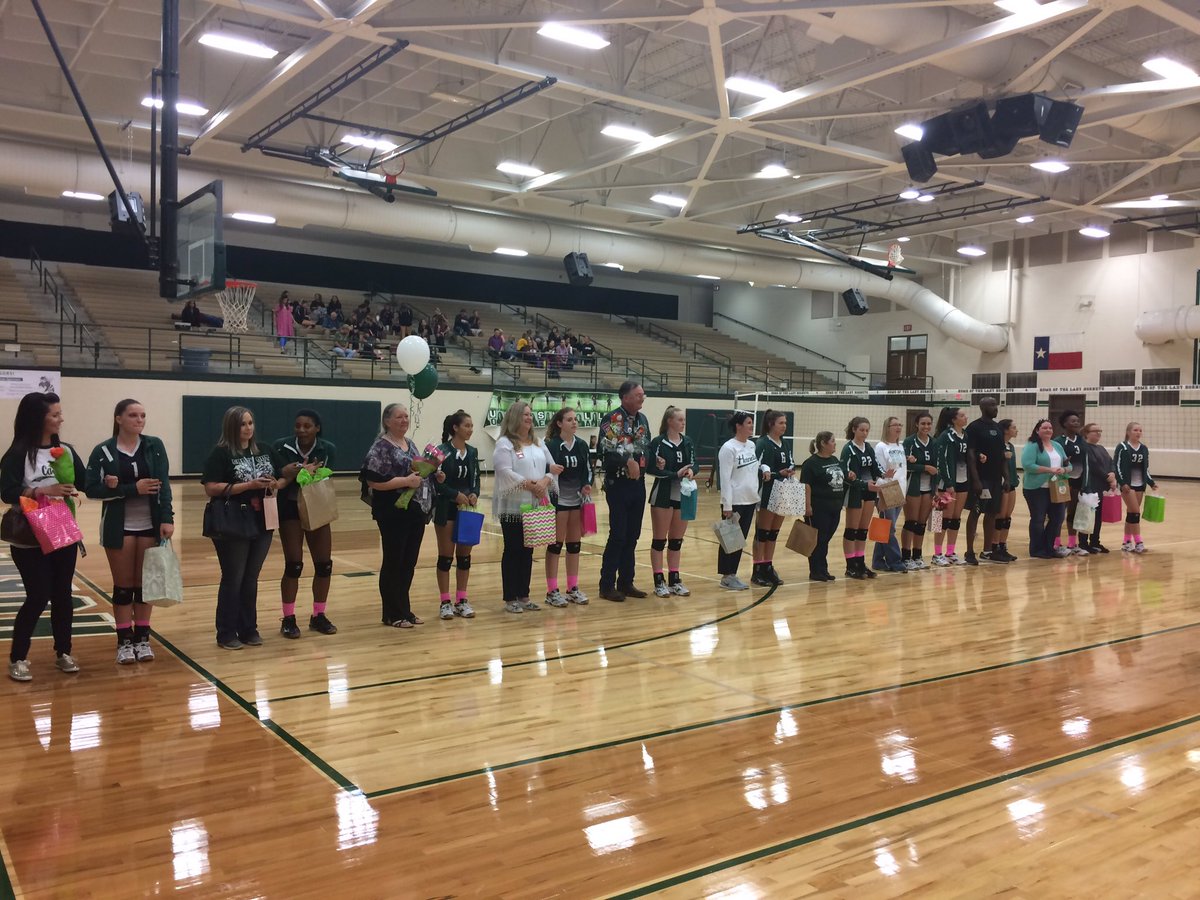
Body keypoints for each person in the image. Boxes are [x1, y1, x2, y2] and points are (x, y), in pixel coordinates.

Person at [3, 392, 86, 682]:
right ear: (38, 418)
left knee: (63, 595)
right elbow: (6, 492)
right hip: (29, 535)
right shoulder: (17, 454)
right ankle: (18, 657)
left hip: (62, 528)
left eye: (60, 413)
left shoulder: (67, 450)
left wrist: (113, 480)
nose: (60, 419)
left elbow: (86, 482)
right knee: (37, 596)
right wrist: (40, 491)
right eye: (55, 414)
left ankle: (63, 652)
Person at [84, 399, 173, 665]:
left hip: (150, 523)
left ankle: (143, 638)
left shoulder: (154, 446)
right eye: (133, 415)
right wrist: (127, 488)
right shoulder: (103, 451)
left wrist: (167, 518)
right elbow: (91, 489)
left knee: (145, 585)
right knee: (124, 587)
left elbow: (164, 484)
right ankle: (124, 641)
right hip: (118, 526)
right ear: (119, 418)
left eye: (143, 415)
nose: (139, 420)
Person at [201, 406, 282, 650]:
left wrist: (276, 483)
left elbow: (282, 476)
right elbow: (211, 487)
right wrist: (246, 486)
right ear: (232, 427)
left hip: (262, 518)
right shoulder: (221, 453)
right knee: (233, 577)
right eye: (242, 424)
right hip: (233, 518)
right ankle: (226, 632)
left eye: (250, 423)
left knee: (251, 577)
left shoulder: (265, 449)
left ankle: (249, 628)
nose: (248, 428)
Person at [362, 404, 439, 628]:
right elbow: (373, 481)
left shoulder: (410, 443)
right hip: (392, 512)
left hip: (414, 512)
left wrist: (434, 473)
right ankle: (392, 613)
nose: (404, 420)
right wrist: (405, 482)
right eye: (399, 417)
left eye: (406, 416)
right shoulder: (380, 447)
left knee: (408, 563)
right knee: (394, 562)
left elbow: (418, 471)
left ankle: (404, 609)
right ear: (387, 421)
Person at [273, 409, 337, 640]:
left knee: (324, 565)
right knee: (294, 565)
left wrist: (299, 472)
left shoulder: (327, 448)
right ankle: (288, 618)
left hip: (317, 505)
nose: (301, 430)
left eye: (307, 426)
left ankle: (318, 615)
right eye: (298, 425)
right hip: (290, 508)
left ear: (317, 428)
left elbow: (322, 475)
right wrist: (297, 471)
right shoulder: (281, 446)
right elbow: (277, 472)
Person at [493, 401, 560, 613]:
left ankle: (524, 595)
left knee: (528, 550)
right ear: (514, 418)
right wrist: (530, 485)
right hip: (514, 507)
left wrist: (546, 480)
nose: (529, 418)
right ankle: (510, 597)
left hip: (535, 505)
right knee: (513, 549)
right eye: (525, 415)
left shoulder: (538, 442)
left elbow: (553, 467)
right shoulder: (504, 443)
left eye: (530, 415)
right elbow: (504, 471)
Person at [597, 382, 651, 601]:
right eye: (638, 395)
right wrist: (627, 460)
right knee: (618, 535)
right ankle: (606, 584)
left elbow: (644, 445)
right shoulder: (612, 420)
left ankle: (626, 582)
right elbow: (606, 450)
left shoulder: (642, 419)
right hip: (618, 484)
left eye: (643, 395)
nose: (642, 398)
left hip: (638, 484)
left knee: (633, 535)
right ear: (625, 397)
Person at [434, 410, 480, 620]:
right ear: (455, 428)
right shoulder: (441, 451)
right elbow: (435, 482)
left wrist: (473, 494)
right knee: (446, 558)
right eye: (467, 426)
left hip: (467, 511)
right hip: (446, 509)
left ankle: (461, 600)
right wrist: (455, 495)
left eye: (471, 426)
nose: (470, 429)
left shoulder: (472, 452)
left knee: (464, 558)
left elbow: (476, 480)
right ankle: (445, 602)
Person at [544, 407, 593, 606]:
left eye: (575, 419)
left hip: (576, 500)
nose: (574, 422)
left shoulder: (581, 445)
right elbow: (542, 467)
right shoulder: (552, 445)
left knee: (574, 546)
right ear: (559, 423)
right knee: (555, 546)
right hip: (558, 500)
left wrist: (586, 484)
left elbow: (587, 470)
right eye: (569, 419)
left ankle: (572, 587)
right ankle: (552, 590)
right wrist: (550, 469)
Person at [646, 405, 696, 597]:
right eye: (680, 420)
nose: (683, 423)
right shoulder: (658, 442)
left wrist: (692, 471)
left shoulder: (688, 442)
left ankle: (675, 579)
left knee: (676, 541)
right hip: (663, 495)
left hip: (683, 495)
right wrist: (674, 473)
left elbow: (695, 462)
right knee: (659, 540)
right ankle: (659, 581)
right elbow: (651, 468)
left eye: (683, 420)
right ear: (669, 421)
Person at [840, 416, 888, 579]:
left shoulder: (868, 447)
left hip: (870, 491)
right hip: (855, 492)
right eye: (861, 430)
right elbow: (844, 473)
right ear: (854, 429)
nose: (865, 433)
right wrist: (863, 483)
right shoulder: (848, 449)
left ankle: (860, 562)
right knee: (851, 530)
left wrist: (883, 474)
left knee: (862, 531)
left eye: (867, 430)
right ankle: (850, 565)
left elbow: (875, 467)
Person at [717, 411, 760, 590]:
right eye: (748, 423)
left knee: (740, 540)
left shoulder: (751, 445)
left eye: (752, 423)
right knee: (730, 540)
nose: (751, 426)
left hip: (749, 500)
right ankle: (727, 576)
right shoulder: (728, 448)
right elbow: (725, 478)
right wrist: (727, 505)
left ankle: (733, 574)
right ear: (738, 426)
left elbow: (751, 472)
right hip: (734, 502)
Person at [751, 410, 795, 586]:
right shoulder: (762, 443)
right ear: (771, 424)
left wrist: (789, 470)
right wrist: (777, 473)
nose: (784, 426)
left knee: (773, 534)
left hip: (783, 490)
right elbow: (756, 466)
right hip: (767, 492)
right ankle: (757, 569)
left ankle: (768, 566)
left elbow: (791, 461)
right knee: (762, 533)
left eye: (785, 423)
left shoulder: (784, 443)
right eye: (781, 423)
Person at [964, 396, 1009, 565]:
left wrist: (1006, 477)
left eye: (996, 404)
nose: (995, 407)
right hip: (981, 479)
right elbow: (970, 455)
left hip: (995, 479)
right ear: (982, 407)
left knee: (992, 513)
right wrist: (975, 480)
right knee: (975, 512)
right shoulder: (974, 427)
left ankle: (988, 550)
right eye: (991, 405)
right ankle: (969, 551)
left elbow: (1002, 455)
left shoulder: (997, 428)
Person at [1020, 418, 1071, 559]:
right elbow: (1028, 465)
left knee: (1058, 518)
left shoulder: (1057, 446)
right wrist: (1049, 469)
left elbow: (1069, 465)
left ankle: (1049, 547)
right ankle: (1037, 550)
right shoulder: (1033, 445)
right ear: (1037, 430)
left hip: (1055, 487)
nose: (1048, 430)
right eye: (1044, 428)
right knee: (1038, 519)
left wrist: (1064, 469)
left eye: (1050, 428)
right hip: (1036, 488)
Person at [800, 431, 846, 583]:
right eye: (832, 441)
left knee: (825, 539)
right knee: (818, 540)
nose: (835, 444)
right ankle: (815, 570)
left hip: (835, 507)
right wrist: (807, 506)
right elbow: (806, 486)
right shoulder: (811, 463)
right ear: (823, 444)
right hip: (818, 507)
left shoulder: (834, 459)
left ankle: (823, 569)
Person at [932, 407, 969, 566]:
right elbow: (942, 461)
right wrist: (948, 483)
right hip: (946, 484)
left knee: (955, 519)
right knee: (941, 519)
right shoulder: (946, 436)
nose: (965, 417)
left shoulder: (964, 435)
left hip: (962, 482)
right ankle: (937, 554)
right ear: (954, 419)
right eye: (962, 415)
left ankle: (950, 552)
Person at [871, 416, 908, 574]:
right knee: (890, 527)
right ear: (887, 427)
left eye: (900, 425)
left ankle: (878, 560)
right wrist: (882, 494)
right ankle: (895, 561)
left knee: (885, 527)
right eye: (895, 425)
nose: (898, 427)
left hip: (900, 489)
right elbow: (879, 472)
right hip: (887, 490)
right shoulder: (880, 447)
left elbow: (900, 469)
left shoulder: (900, 446)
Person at [1113, 422, 1156, 553]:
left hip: (1140, 485)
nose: (1138, 432)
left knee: (1131, 514)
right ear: (1128, 432)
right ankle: (1138, 542)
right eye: (1135, 430)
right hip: (1128, 486)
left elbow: (1146, 469)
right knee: (1135, 513)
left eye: (1140, 430)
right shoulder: (1122, 447)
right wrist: (1122, 482)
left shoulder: (1144, 448)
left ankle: (1126, 542)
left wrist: (1151, 482)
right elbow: (1117, 466)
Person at [901, 411, 936, 570]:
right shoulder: (909, 442)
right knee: (911, 522)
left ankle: (917, 555)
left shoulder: (934, 443)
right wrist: (924, 467)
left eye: (929, 423)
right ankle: (905, 556)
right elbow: (903, 465)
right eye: (923, 423)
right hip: (912, 487)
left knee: (921, 524)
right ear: (917, 424)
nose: (926, 426)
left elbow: (938, 465)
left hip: (928, 488)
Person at [1080, 422, 1118, 553]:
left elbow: (1111, 462)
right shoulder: (1085, 448)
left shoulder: (1101, 448)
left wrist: (1113, 473)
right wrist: (1107, 477)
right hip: (1091, 486)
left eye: (1100, 431)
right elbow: (1093, 465)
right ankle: (1083, 543)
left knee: (1098, 516)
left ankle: (1095, 541)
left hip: (1102, 487)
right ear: (1086, 433)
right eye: (1095, 431)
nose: (1098, 433)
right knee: (1088, 515)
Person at [1056, 410, 1089, 557]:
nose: (1076, 423)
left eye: (1077, 421)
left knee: (1073, 513)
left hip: (1078, 481)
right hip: (1063, 481)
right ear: (1065, 424)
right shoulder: (1058, 441)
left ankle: (1072, 543)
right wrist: (1063, 463)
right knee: (1058, 514)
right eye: (1072, 421)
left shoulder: (1082, 441)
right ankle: (1056, 543)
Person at [994, 419, 1020, 561]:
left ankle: (1002, 546)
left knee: (1006, 519)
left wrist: (1014, 479)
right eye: (1014, 427)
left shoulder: (1011, 446)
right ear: (1005, 430)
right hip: (1000, 486)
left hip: (1011, 485)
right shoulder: (997, 446)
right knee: (999, 517)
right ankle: (994, 547)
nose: (1016, 430)